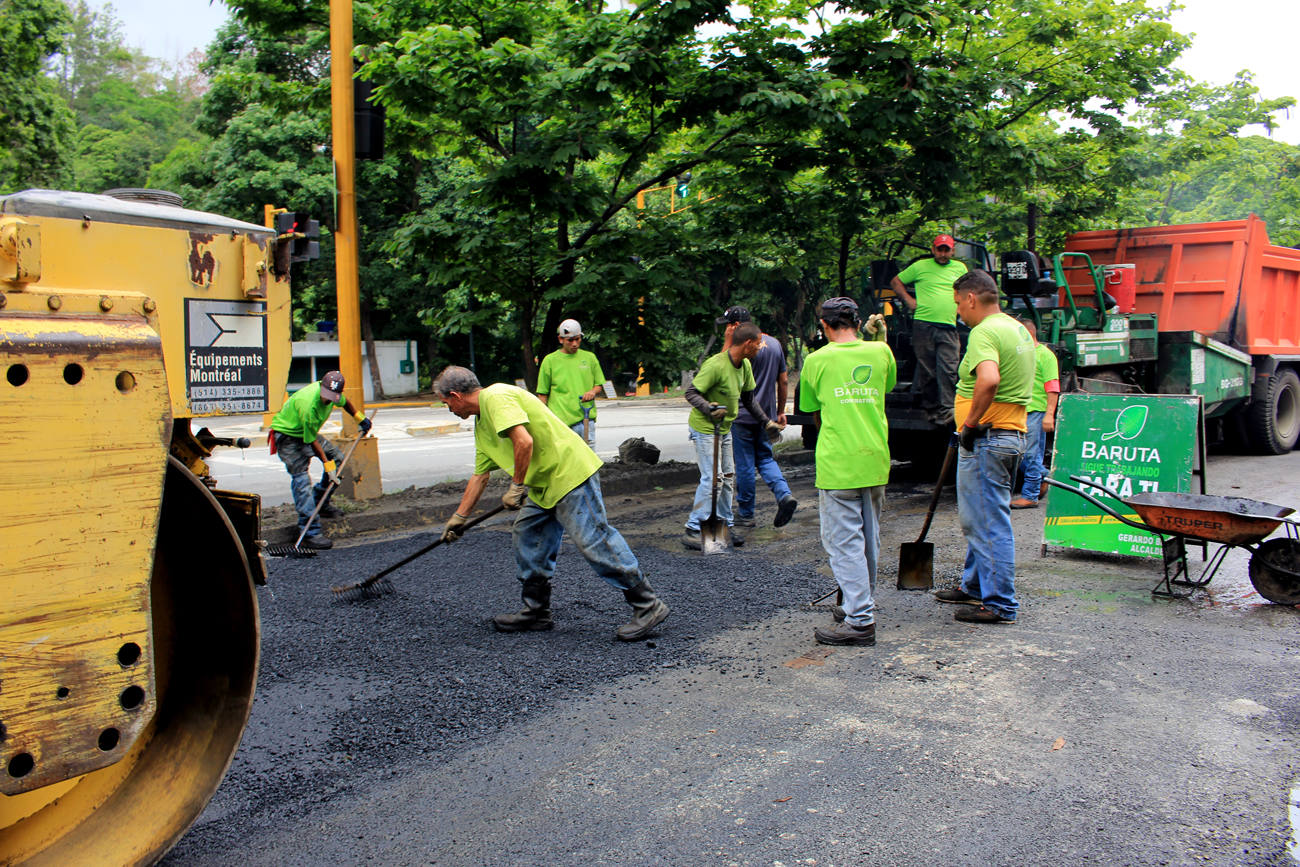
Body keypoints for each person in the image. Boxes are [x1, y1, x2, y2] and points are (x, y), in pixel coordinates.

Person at [434, 367, 668, 641]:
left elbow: (524, 441)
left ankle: (647, 604)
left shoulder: (496, 396)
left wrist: (517, 486)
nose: (447, 408)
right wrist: (459, 518)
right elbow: (479, 476)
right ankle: (536, 611)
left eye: (445, 402)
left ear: (455, 395)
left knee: (594, 540)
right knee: (528, 533)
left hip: (569, 474)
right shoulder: (481, 423)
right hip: (545, 484)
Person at [934, 271, 1034, 624]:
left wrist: (971, 423)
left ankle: (1000, 604)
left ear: (972, 299)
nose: (959, 311)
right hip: (1010, 435)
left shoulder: (985, 331)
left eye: (959, 303)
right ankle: (974, 586)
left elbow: (989, 379)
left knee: (987, 523)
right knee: (983, 518)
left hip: (988, 438)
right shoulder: (1016, 328)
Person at [799, 298, 895, 646]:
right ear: (856, 323)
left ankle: (860, 621)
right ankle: (860, 605)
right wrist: (880, 337)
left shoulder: (816, 360)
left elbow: (811, 407)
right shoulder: (881, 352)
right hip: (875, 458)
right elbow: (886, 386)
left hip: (839, 463)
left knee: (844, 545)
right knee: (869, 539)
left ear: (824, 326)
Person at [681, 321, 784, 550]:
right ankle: (692, 529)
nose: (760, 348)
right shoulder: (715, 365)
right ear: (747, 343)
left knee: (728, 477)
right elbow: (691, 392)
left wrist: (766, 422)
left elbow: (749, 399)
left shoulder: (745, 365)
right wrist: (709, 408)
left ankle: (724, 526)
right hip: (706, 429)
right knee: (712, 479)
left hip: (725, 428)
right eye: (758, 344)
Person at [268, 370, 371, 550]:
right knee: (302, 480)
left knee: (339, 460)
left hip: (307, 433)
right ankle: (310, 532)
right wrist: (327, 464)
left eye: (332, 397)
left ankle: (320, 504)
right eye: (326, 396)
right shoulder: (308, 405)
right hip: (288, 436)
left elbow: (346, 403)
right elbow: (311, 441)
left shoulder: (335, 396)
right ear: (321, 387)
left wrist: (360, 419)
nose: (328, 400)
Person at [717, 306, 797, 529]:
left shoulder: (740, 347)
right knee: (765, 458)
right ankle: (784, 495)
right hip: (766, 416)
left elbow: (719, 369)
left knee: (744, 464)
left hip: (742, 415)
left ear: (735, 326)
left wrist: (728, 341)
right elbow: (783, 381)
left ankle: (746, 514)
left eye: (728, 326)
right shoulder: (774, 344)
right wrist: (780, 411)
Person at [890, 234, 969, 426]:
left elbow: (967, 290)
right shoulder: (920, 267)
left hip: (949, 325)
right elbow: (895, 282)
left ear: (952, 251)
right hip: (924, 324)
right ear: (933, 250)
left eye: (946, 250)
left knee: (949, 368)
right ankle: (933, 409)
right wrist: (909, 300)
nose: (943, 253)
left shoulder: (960, 268)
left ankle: (948, 409)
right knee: (928, 370)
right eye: (939, 249)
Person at [1011, 319, 1061, 509]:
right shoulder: (1020, 355)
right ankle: (1045, 475)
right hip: (1019, 412)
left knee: (1031, 455)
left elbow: (1052, 387)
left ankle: (1030, 495)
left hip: (1036, 412)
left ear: (1028, 333)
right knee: (1019, 454)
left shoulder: (1045, 356)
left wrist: (1049, 415)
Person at [536, 318, 604, 449]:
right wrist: (543, 420)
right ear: (561, 339)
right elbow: (542, 394)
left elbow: (598, 385)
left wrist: (592, 391)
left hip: (585, 420)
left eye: (577, 339)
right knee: (564, 462)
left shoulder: (590, 358)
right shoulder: (550, 361)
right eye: (570, 340)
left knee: (588, 462)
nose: (575, 344)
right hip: (560, 422)